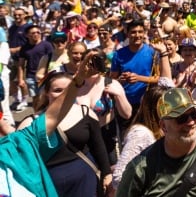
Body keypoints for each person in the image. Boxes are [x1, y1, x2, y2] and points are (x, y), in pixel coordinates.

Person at [116, 87, 196, 196]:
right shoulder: (140, 169)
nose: (191, 122)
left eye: (194, 114)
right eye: (181, 118)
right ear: (164, 126)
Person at [19, 57, 113, 197]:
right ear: (46, 93)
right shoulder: (31, 122)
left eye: (68, 90)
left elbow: (98, 147)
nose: (63, 94)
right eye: (57, 90)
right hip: (50, 185)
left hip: (85, 182)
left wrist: (106, 174)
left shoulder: (85, 113)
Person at [0, 67, 83, 196]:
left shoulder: (16, 143)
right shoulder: (19, 139)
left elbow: (51, 117)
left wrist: (78, 80)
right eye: (57, 90)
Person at [111, 84, 169, 195]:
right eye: (167, 106)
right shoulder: (141, 134)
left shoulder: (160, 130)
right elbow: (119, 177)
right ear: (155, 108)